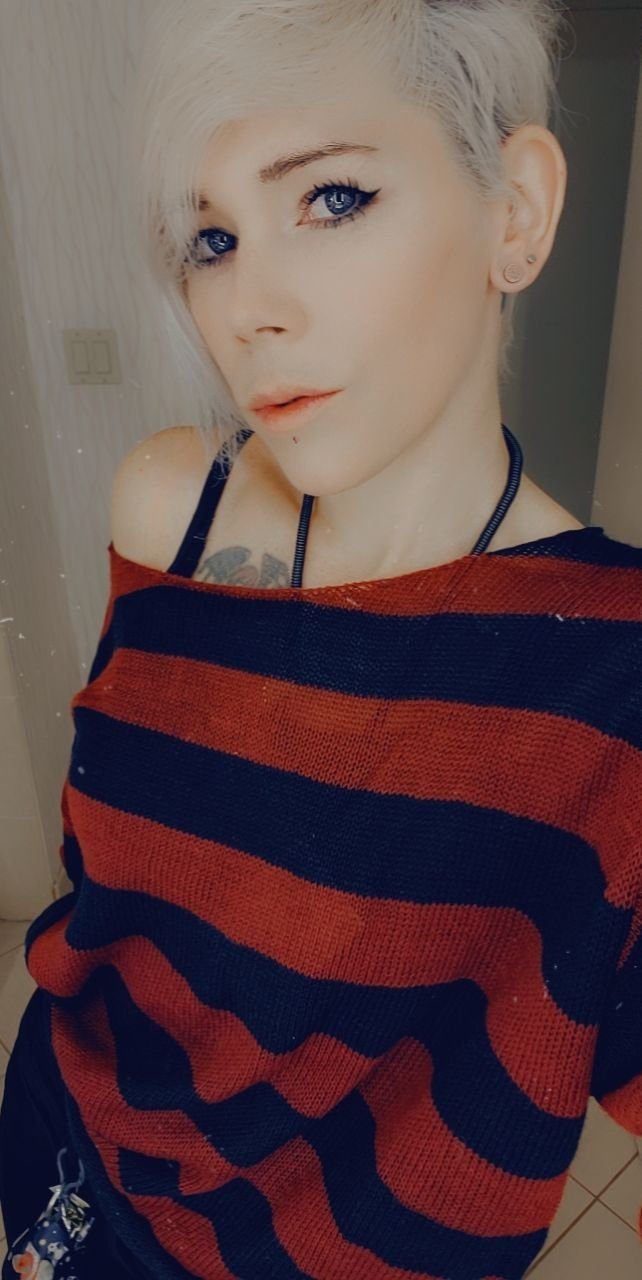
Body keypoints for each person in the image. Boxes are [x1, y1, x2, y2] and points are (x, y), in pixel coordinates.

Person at [2, 2, 642, 1277]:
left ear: (515, 212)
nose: (249, 307)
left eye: (333, 198)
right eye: (212, 237)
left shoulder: (612, 676)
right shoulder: (172, 509)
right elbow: (114, 879)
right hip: (61, 1156)